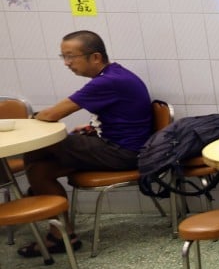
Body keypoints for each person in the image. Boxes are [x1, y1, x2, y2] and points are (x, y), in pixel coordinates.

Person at [19, 30, 152, 257]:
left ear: (96, 57)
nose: (67, 63)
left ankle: (35, 201)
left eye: (71, 57)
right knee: (39, 169)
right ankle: (61, 233)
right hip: (115, 145)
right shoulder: (114, 75)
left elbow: (52, 114)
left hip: (123, 153)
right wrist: (92, 128)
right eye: (63, 57)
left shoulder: (108, 81)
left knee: (36, 149)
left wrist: (33, 119)